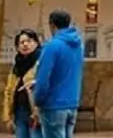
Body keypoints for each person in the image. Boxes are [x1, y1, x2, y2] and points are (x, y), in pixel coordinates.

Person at [30, 10, 84, 138]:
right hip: (72, 102)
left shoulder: (51, 46)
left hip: (53, 103)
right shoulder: (78, 46)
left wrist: (37, 100)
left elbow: (43, 78)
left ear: (52, 25)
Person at [5, 29, 42, 138]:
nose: (25, 44)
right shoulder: (16, 67)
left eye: (29, 41)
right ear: (17, 47)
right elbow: (9, 90)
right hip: (19, 111)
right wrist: (7, 116)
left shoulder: (42, 62)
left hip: (35, 112)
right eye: (22, 42)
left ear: (36, 43)